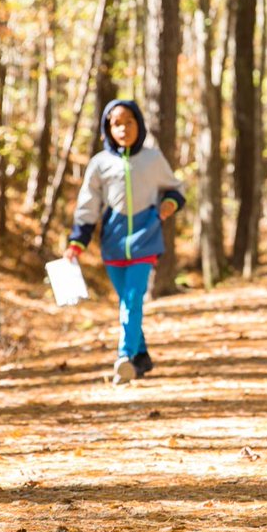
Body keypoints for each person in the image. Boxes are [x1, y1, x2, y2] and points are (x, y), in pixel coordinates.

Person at [64, 99, 186, 384]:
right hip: (113, 244)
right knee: (126, 303)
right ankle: (142, 355)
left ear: (139, 124)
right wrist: (76, 242)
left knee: (132, 300)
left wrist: (169, 204)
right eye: (116, 123)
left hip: (146, 238)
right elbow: (88, 205)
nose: (123, 128)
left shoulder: (152, 159)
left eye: (129, 121)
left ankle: (124, 358)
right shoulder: (100, 164)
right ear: (108, 128)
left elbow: (176, 188)